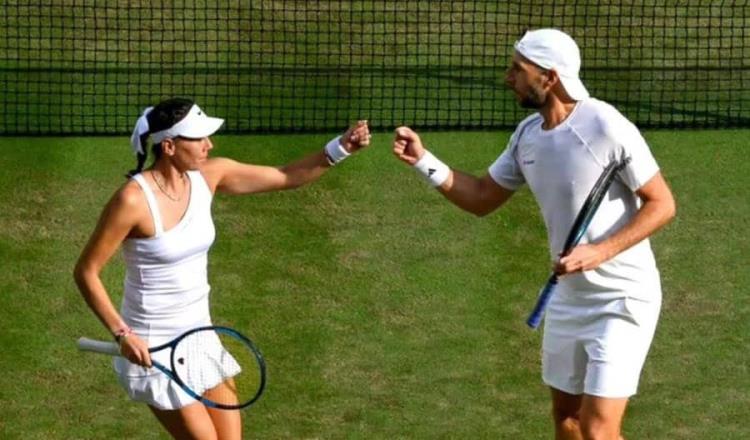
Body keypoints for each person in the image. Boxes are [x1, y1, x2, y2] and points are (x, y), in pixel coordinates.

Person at [392, 29, 675, 440]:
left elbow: (662, 203)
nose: (508, 78)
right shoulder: (527, 136)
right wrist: (424, 161)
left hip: (622, 299)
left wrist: (599, 252)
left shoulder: (605, 125)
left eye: (517, 69)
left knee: (598, 430)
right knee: (568, 419)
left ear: (550, 77)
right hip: (568, 300)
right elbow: (483, 197)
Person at [74, 97, 371, 439]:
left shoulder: (211, 175)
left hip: (200, 334)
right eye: (198, 139)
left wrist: (341, 148)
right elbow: (86, 271)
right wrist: (123, 333)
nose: (209, 145)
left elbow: (285, 176)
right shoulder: (133, 200)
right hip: (154, 346)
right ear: (169, 146)